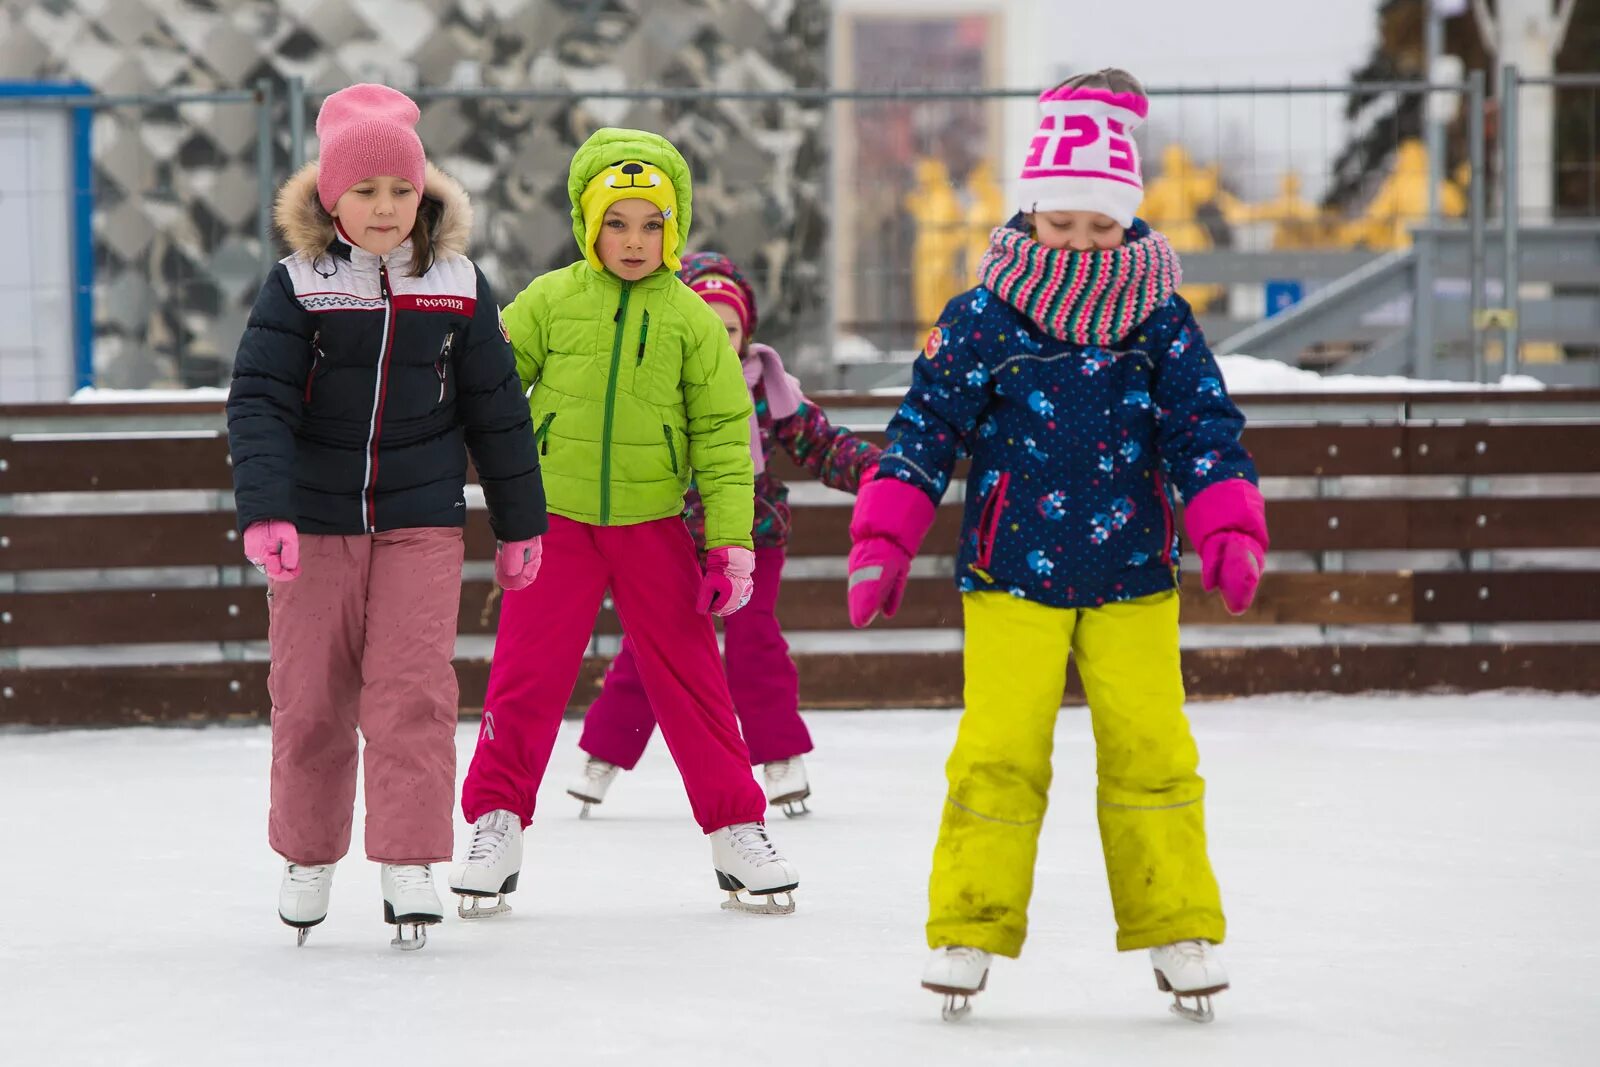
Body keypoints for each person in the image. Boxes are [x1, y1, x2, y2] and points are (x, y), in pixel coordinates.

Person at [846, 69, 1270, 1021]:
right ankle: (968, 923)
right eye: (1062, 225)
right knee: (998, 750)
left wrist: (1227, 519)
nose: (1081, 246)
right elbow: (925, 426)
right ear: (1031, 212)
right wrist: (885, 531)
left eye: (1102, 228)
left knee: (1153, 750)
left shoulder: (1159, 320)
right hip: (1011, 578)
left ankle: (1178, 925)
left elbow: (1203, 426)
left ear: (1130, 222)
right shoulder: (984, 316)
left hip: (1134, 577)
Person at [226, 83, 547, 949]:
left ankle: (409, 858)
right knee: (310, 700)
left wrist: (522, 523)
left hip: (422, 520)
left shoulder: (456, 284)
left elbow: (498, 409)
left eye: (401, 190)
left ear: (425, 194)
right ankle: (308, 853)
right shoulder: (299, 284)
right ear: (332, 197)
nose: (384, 207)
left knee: (411, 694)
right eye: (364, 191)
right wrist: (266, 510)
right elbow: (258, 400)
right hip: (316, 523)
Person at [450, 129, 800, 918]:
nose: (635, 241)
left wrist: (731, 544)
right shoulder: (549, 300)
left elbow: (721, 435)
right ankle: (495, 822)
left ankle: (738, 827)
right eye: (617, 223)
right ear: (587, 222)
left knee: (692, 679)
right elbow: (495, 395)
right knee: (526, 674)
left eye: (651, 224)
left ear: (673, 230)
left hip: (652, 524)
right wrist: (506, 506)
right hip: (558, 520)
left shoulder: (691, 321)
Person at [568, 251, 883, 819]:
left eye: (730, 327)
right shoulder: (657, 382)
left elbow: (821, 444)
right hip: (673, 543)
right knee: (652, 650)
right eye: (705, 324)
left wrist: (879, 474)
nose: (720, 338)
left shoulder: (770, 386)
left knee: (754, 643)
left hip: (753, 539)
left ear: (747, 331)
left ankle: (781, 756)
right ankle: (603, 756)